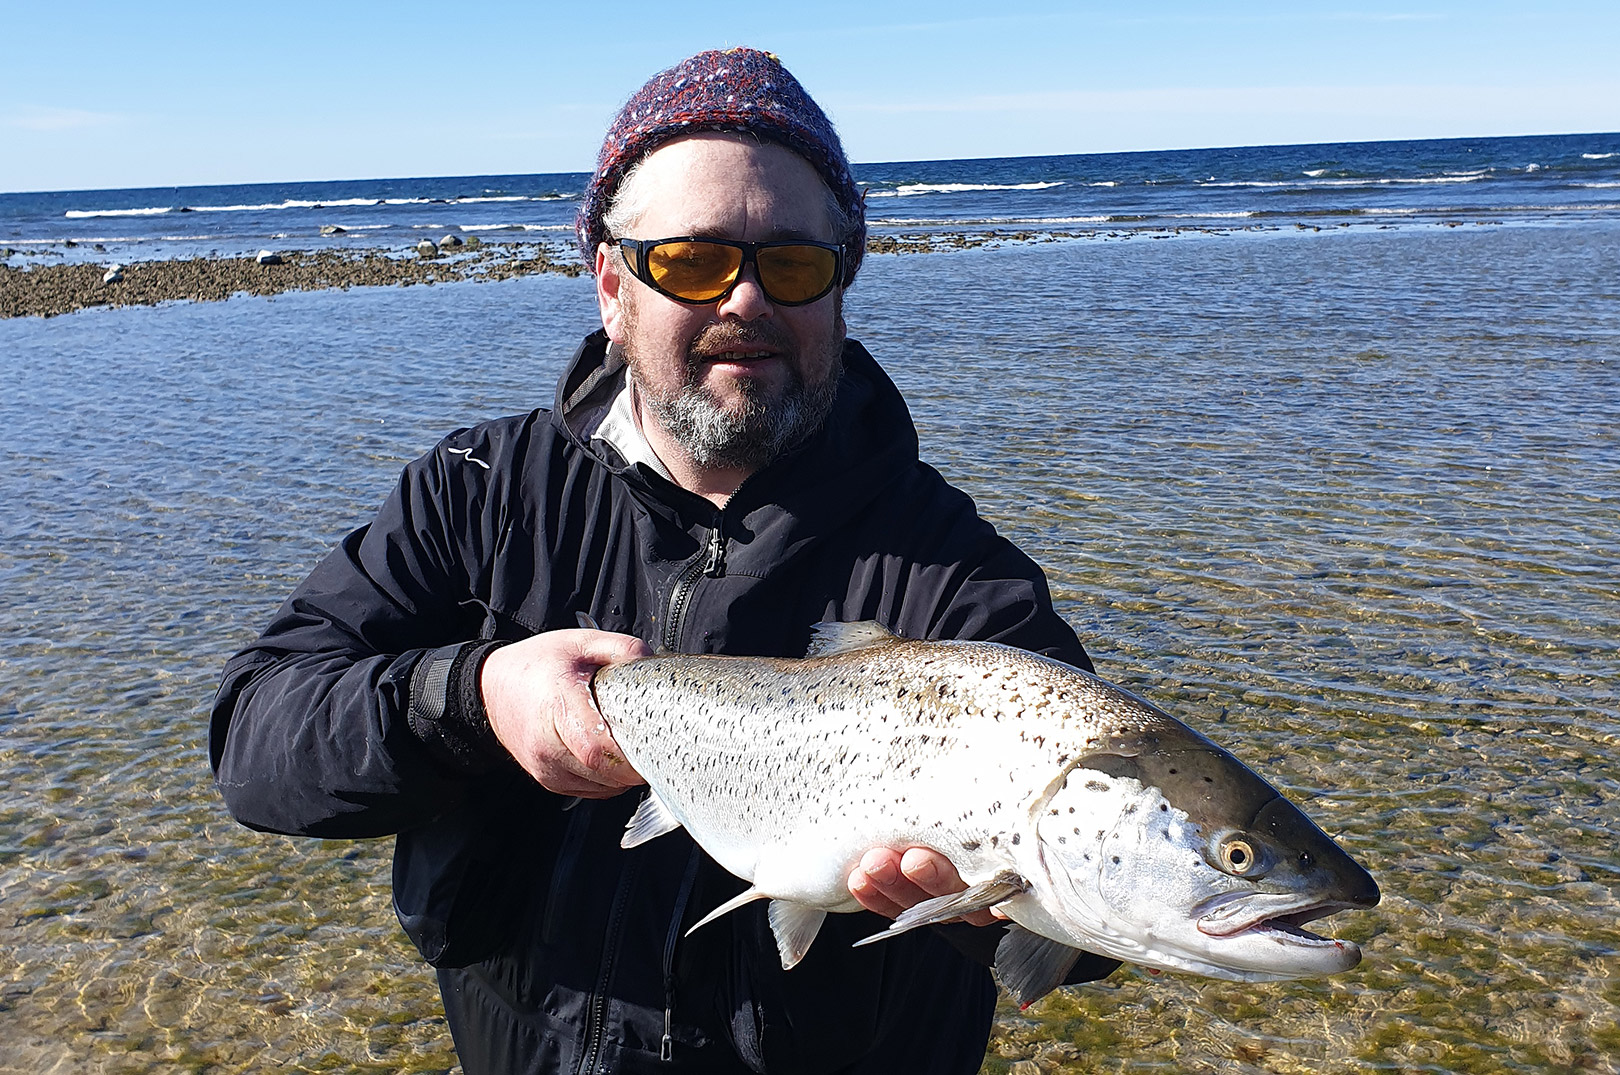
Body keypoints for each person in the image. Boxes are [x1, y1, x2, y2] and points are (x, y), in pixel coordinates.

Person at [210, 47, 1117, 1075]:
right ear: (611, 284)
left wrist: (995, 905)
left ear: (839, 285)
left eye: (792, 263)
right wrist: (471, 699)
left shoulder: (955, 576)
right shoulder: (476, 492)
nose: (745, 300)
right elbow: (257, 741)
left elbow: (1095, 924)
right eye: (691, 261)